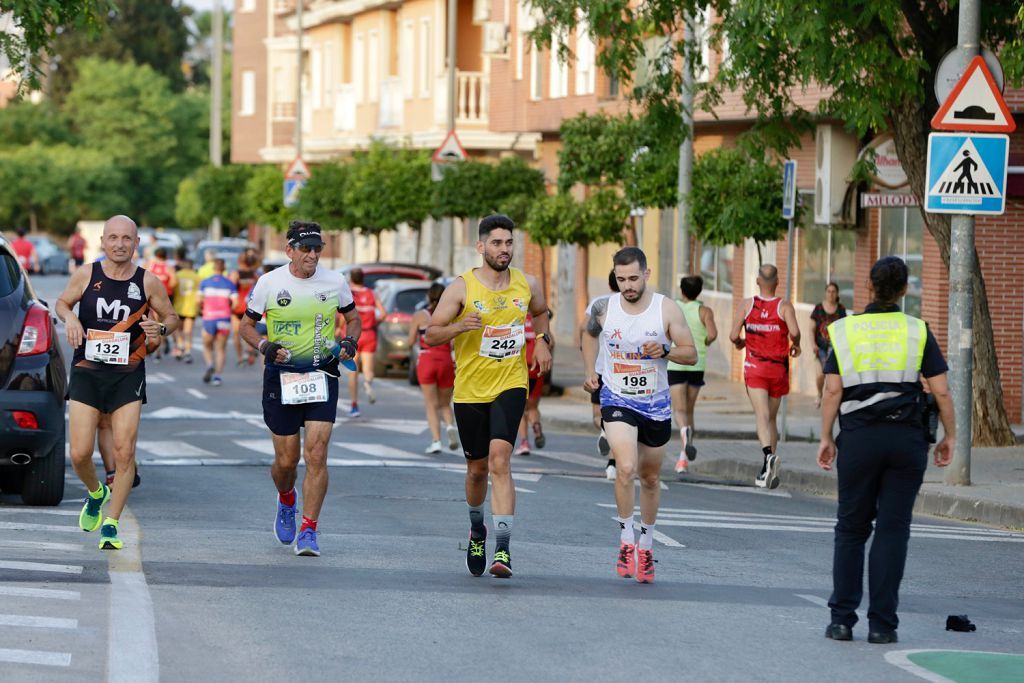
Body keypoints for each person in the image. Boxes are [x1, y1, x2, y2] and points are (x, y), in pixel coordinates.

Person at [817, 256, 954, 645]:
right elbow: (940, 390)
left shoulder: (843, 331)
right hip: (905, 440)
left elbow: (832, 390)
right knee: (893, 530)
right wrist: (950, 436)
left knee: (851, 529)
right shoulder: (917, 330)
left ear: (869, 288)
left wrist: (826, 437)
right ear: (905, 290)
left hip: (859, 440)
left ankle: (841, 620)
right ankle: (882, 625)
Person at [425, 214, 552, 579]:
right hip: (469, 390)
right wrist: (458, 326)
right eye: (496, 243)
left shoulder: (526, 284)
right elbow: (431, 335)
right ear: (481, 247)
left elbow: (541, 313)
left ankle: (503, 548)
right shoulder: (461, 288)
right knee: (477, 470)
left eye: (509, 242)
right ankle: (477, 529)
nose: (504, 249)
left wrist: (542, 343)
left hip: (511, 382)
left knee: (500, 460)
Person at [55, 215, 179, 550]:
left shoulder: (148, 281)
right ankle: (97, 493)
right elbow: (62, 303)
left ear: (136, 243)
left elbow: (171, 316)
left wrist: (162, 330)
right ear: (104, 242)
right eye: (113, 238)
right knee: (80, 453)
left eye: (126, 238)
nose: (119, 244)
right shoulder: (86, 274)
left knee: (125, 453)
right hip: (87, 370)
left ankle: (111, 524)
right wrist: (69, 319)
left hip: (127, 375)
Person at [240, 220, 360, 557]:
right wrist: (264, 346)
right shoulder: (269, 283)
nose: (312, 255)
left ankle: (309, 529)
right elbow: (246, 326)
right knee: (286, 461)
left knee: (317, 455)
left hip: (322, 373)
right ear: (289, 250)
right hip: (282, 376)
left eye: (317, 248)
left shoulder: (336, 281)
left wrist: (350, 340)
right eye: (305, 248)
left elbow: (353, 318)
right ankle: (287, 498)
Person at [581, 247, 696, 584]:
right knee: (626, 467)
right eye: (621, 279)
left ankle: (646, 544)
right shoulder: (604, 308)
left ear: (646, 274)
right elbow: (588, 334)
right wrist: (591, 370)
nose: (627, 285)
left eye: (633, 278)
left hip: (656, 404)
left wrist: (666, 350)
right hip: (616, 397)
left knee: (649, 477)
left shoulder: (666, 309)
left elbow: (690, 352)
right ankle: (626, 539)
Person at [728, 264, 800, 489]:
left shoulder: (747, 305)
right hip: (778, 370)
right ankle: (768, 467)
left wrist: (741, 342)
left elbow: (732, 335)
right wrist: (795, 345)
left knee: (762, 415)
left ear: (758, 281)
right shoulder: (784, 306)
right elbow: (796, 332)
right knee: (771, 418)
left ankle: (768, 456)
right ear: (777, 282)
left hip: (755, 368)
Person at [668, 275, 718, 473]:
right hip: (697, 364)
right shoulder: (705, 311)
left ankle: (682, 431)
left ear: (682, 290)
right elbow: (713, 334)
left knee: (678, 411)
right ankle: (683, 458)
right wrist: (704, 342)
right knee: (690, 410)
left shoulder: (673, 308)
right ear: (699, 291)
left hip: (677, 363)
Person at [406, 282, 459, 454]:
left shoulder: (420, 316)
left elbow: (410, 341)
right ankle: (450, 426)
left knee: (431, 404)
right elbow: (454, 342)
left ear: (428, 296)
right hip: (445, 360)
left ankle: (436, 441)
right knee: (445, 403)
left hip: (427, 359)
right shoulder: (450, 316)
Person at [580, 270, 620, 479]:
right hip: (619, 369)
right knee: (618, 419)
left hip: (600, 368)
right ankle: (612, 463)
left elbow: (583, 327)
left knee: (599, 416)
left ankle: (604, 430)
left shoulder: (599, 302)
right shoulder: (631, 306)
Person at [344, 268, 385, 417]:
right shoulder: (372, 294)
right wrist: (374, 322)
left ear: (352, 279)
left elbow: (344, 316)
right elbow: (383, 313)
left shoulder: (348, 293)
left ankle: (354, 405)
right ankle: (368, 383)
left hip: (353, 336)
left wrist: (339, 328)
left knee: (353, 371)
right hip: (369, 333)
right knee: (368, 369)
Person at [514, 312, 551, 456]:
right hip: (537, 367)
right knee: (533, 406)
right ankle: (536, 425)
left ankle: (524, 443)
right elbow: (550, 342)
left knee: (521, 409)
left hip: (522, 366)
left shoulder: (517, 318)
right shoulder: (540, 321)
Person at [197, 258, 237, 386]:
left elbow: (198, 301)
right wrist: (228, 310)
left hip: (209, 318)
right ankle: (217, 377)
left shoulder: (205, 283)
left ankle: (210, 364)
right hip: (224, 319)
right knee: (221, 349)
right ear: (224, 269)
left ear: (213, 268)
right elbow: (235, 303)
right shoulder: (230, 284)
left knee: (207, 346)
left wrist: (201, 309)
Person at [810, 282, 847, 408]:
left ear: (837, 294)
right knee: (820, 375)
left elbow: (844, 329)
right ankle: (819, 394)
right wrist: (813, 344)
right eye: (828, 291)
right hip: (820, 347)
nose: (831, 294)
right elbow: (811, 329)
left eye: (833, 291)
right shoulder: (818, 308)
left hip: (835, 349)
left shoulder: (841, 310)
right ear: (825, 293)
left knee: (832, 377)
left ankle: (831, 400)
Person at [231, 250, 261, 366]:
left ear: (239, 261)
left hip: (237, 307)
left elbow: (230, 288)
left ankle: (239, 357)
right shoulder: (255, 275)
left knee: (236, 333)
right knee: (250, 330)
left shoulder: (235, 274)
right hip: (251, 307)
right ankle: (250, 350)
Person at [145, 247, 176, 360]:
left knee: (152, 322)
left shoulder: (149, 265)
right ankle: (161, 344)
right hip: (163, 298)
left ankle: (157, 350)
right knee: (160, 323)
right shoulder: (168, 267)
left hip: (150, 297)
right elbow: (174, 282)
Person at [172, 257, 201, 363]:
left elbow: (171, 288)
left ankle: (179, 347)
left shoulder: (177, 275)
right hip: (191, 308)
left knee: (178, 330)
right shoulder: (197, 277)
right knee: (188, 332)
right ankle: (187, 352)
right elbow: (199, 294)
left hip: (178, 306)